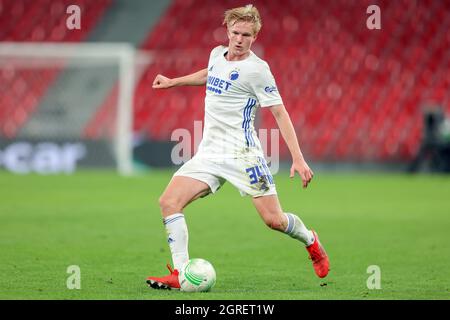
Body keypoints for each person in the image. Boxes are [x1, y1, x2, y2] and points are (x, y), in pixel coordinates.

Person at [146, 4, 329, 290]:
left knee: (274, 220)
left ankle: (311, 240)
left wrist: (298, 158)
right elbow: (209, 74)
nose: (239, 39)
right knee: (168, 202)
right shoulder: (217, 54)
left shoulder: (258, 71)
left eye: (246, 34)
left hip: (244, 156)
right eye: (235, 32)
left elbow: (280, 113)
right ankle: (181, 275)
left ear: (255, 36)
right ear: (227, 31)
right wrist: (174, 82)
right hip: (209, 153)